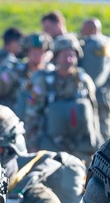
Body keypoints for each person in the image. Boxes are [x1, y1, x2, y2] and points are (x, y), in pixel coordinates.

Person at [24, 33, 101, 163]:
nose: (69, 59)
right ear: (56, 57)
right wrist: (32, 145)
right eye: (65, 55)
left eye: (72, 55)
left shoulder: (84, 81)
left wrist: (96, 142)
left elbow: (93, 113)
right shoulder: (44, 81)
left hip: (81, 147)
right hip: (52, 145)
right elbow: (32, 114)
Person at [0, 32, 53, 114]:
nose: (37, 55)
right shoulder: (16, 71)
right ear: (27, 52)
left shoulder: (50, 74)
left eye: (40, 51)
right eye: (34, 51)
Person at [79, 18, 110, 139]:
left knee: (93, 125)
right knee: (106, 124)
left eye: (84, 29)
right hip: (107, 92)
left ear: (92, 29)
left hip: (93, 92)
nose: (82, 33)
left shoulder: (92, 44)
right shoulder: (109, 44)